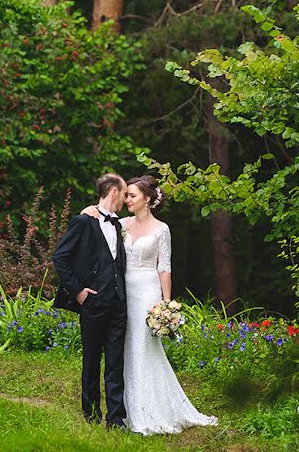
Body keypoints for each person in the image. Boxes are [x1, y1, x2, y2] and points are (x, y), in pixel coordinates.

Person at [82, 175, 218, 435]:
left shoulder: (161, 229)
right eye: (126, 195)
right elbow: (97, 223)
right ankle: (121, 409)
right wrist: (88, 210)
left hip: (147, 293)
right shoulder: (120, 223)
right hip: (121, 292)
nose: (127, 199)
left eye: (132, 195)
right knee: (121, 347)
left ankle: (149, 408)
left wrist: (166, 304)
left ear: (147, 199)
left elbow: (164, 267)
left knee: (143, 347)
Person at [52, 173, 128, 428]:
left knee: (116, 362)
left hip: (118, 303)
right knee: (92, 361)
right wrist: (78, 292)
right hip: (93, 303)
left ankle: (116, 419)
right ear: (114, 192)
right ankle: (91, 415)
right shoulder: (83, 222)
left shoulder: (118, 224)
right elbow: (60, 257)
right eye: (124, 193)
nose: (125, 199)